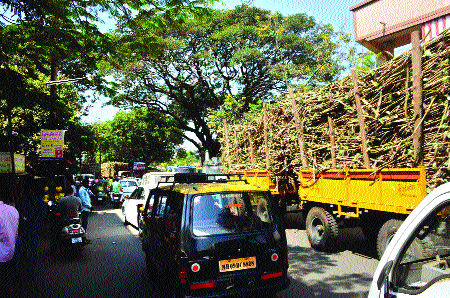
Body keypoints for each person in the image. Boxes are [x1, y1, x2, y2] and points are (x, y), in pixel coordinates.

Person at [14, 180, 47, 277]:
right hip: (26, 230)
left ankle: (29, 271)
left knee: (30, 251)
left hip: (31, 230)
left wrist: (29, 219)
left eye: (31, 191)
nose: (30, 193)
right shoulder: (22, 201)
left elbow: (43, 216)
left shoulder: (37, 202)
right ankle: (23, 271)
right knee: (25, 251)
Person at [0, 196, 19, 297]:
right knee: (8, 282)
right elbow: (15, 233)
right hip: (11, 252)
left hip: (1, 255)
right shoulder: (13, 211)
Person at [78, 178, 92, 243]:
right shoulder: (82, 190)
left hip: (87, 209)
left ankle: (83, 238)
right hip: (84, 209)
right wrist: (90, 206)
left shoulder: (85, 190)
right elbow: (83, 201)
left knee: (85, 225)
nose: (88, 184)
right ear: (84, 183)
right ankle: (82, 239)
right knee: (84, 225)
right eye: (87, 183)